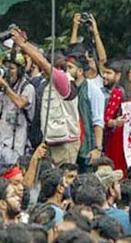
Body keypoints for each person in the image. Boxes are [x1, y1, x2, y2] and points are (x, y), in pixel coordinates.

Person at [10, 29, 80, 165]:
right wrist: (24, 43)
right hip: (52, 140)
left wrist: (23, 45)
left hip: (65, 143)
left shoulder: (62, 79)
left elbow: (42, 61)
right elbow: (40, 57)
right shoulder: (48, 83)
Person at [0, 53, 35, 176]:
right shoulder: (3, 89)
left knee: (14, 180)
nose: (8, 72)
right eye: (6, 68)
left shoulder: (27, 87)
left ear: (20, 71)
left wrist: (5, 87)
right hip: (0, 145)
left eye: (11, 68)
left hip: (17, 147)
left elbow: (21, 103)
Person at [65, 52, 104, 172]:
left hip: (88, 146)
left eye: (70, 68)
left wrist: (97, 148)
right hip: (71, 144)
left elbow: (98, 121)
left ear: (80, 71)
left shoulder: (92, 89)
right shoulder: (67, 88)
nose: (67, 71)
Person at [104, 59, 131, 178]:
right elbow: (107, 119)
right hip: (120, 138)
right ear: (127, 74)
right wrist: (116, 122)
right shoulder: (119, 92)